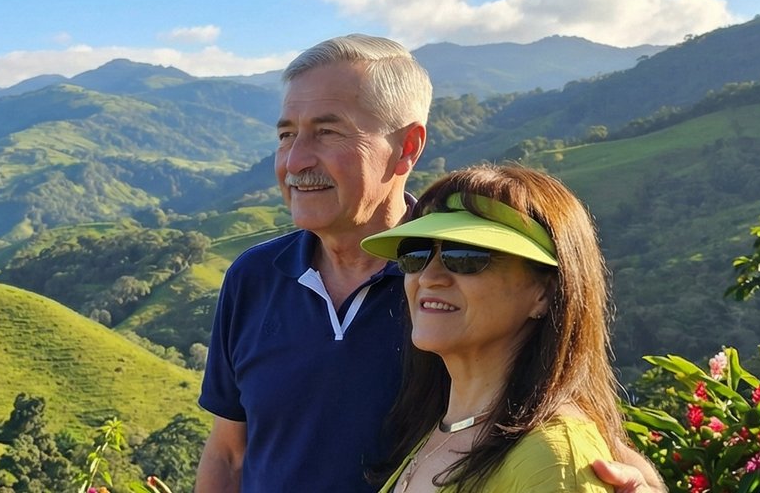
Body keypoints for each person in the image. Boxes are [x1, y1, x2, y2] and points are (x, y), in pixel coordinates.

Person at [194, 34, 659, 493]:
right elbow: (229, 451)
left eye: (328, 132)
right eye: (286, 135)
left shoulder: (454, 290)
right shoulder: (254, 277)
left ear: (407, 146)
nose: (295, 160)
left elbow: (564, 425)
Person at [361, 165, 622, 492]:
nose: (429, 277)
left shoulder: (551, 459)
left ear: (545, 293)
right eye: (417, 254)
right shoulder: (443, 431)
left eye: (466, 256)